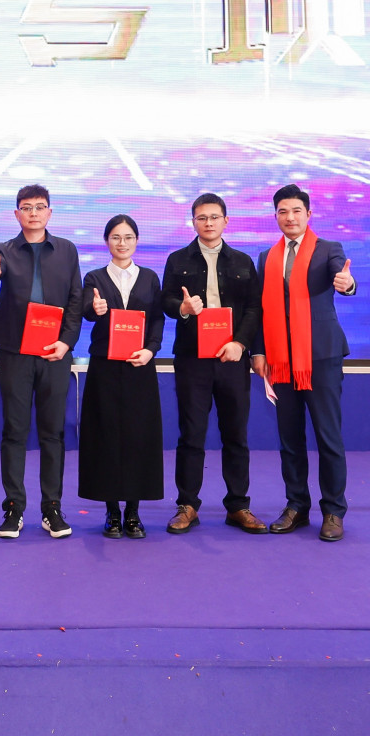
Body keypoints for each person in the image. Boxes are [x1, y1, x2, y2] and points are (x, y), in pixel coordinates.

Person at [251, 184, 357, 542]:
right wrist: (259, 351)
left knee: (328, 436)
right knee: (290, 438)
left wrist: (347, 283)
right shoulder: (267, 257)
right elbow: (262, 310)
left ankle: (333, 511)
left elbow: (342, 277)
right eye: (283, 211)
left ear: (308, 214)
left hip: (320, 356)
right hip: (281, 360)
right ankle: (296, 505)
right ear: (276, 216)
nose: (290, 217)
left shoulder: (328, 249)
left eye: (296, 210)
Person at [159, 193, 267, 536]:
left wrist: (241, 344)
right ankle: (187, 505)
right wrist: (182, 308)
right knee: (191, 434)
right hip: (192, 359)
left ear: (226, 221)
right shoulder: (178, 259)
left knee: (236, 433)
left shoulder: (242, 261)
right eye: (201, 217)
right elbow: (165, 300)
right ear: (193, 222)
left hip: (231, 358)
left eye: (214, 217)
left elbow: (254, 308)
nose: (208, 223)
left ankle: (238, 505)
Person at [0, 184, 84, 539]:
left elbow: (76, 299)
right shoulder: (3, 250)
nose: (34, 213)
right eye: (27, 207)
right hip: (15, 352)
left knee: (52, 432)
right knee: (14, 430)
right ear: (17, 214)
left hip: (55, 352)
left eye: (40, 207)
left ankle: (51, 508)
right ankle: (14, 508)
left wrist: (66, 342)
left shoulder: (67, 250)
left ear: (50, 212)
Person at [78, 214, 165, 539]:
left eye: (128, 237)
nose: (122, 243)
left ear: (136, 241)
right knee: (106, 437)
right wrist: (95, 310)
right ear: (107, 242)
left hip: (140, 367)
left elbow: (157, 319)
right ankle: (112, 512)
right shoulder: (94, 277)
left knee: (138, 438)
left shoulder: (150, 278)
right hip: (105, 368)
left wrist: (151, 350)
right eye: (116, 237)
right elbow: (87, 310)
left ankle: (134, 513)